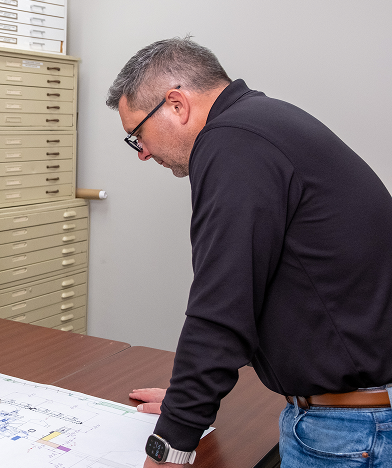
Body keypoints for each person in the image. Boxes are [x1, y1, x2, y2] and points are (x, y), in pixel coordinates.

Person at [106, 37, 392, 467]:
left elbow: (221, 308)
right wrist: (187, 399)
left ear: (176, 104)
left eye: (137, 135)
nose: (143, 153)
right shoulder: (262, 121)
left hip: (351, 431)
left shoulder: (232, 143)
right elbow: (269, 292)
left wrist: (173, 441)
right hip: (359, 414)